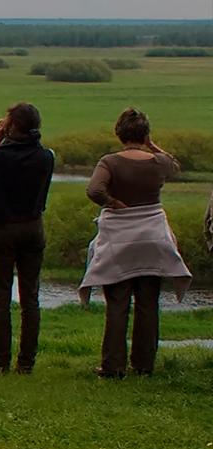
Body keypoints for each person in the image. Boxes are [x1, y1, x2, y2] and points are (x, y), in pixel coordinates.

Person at [81, 108, 192, 378]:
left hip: (119, 239)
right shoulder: (158, 162)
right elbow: (175, 167)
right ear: (145, 134)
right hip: (153, 238)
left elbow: (94, 190)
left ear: (119, 133)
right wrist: (152, 145)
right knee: (148, 303)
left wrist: (112, 203)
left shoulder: (109, 162)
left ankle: (112, 366)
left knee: (118, 303)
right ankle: (144, 364)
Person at [0, 102, 55, 375]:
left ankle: (0, 360)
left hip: (4, 228)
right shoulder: (46, 156)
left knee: (0, 296)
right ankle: (26, 362)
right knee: (30, 297)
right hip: (34, 226)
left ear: (13, 125)